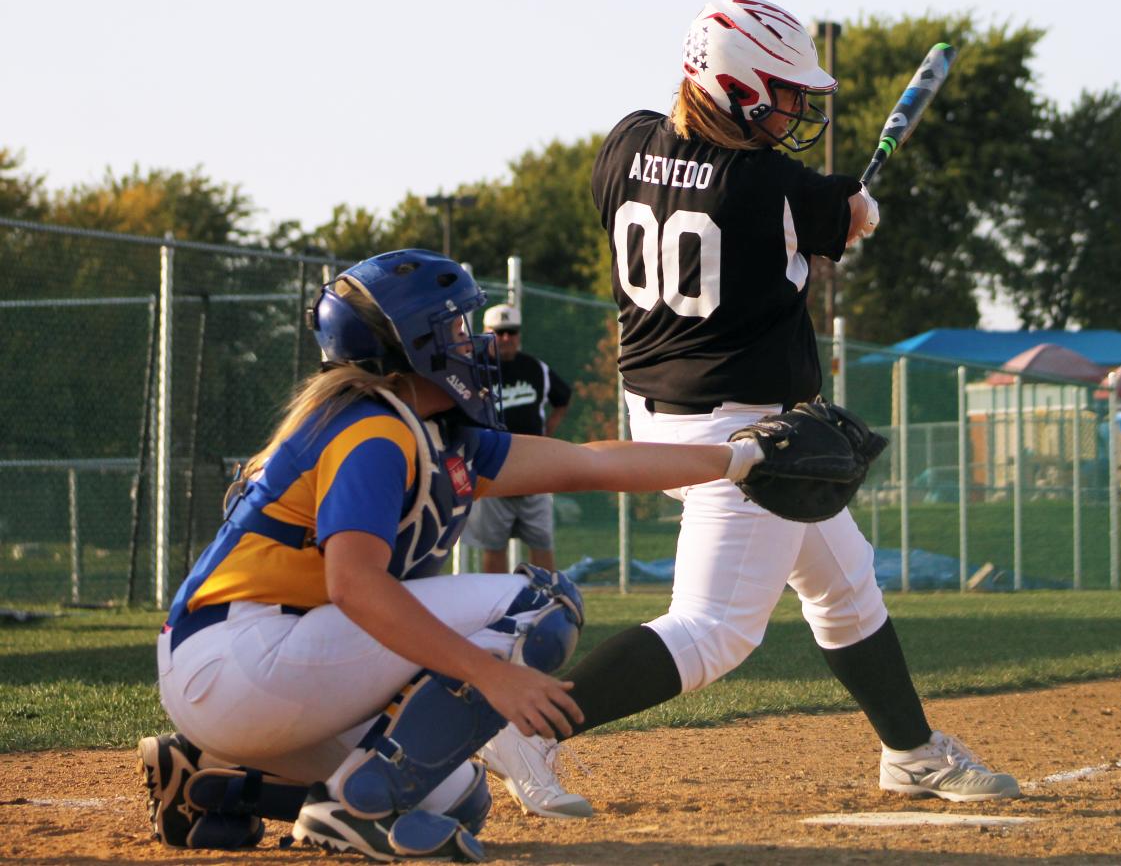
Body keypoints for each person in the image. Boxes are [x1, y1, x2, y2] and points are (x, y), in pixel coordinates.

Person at [481, 0, 1018, 814]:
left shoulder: (624, 144)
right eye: (783, 91)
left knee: (845, 583)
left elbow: (765, 204)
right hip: (743, 433)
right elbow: (838, 215)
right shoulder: (774, 186)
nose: (796, 107)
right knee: (715, 629)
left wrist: (829, 214)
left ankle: (911, 752)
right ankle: (530, 728)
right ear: (734, 86)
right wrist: (850, 214)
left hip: (659, 416)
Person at [137, 249, 770, 860]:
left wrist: (739, 458)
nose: (474, 343)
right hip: (246, 655)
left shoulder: (426, 430)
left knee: (457, 797)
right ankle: (358, 812)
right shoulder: (374, 432)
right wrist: (489, 672)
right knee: (540, 604)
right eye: (455, 328)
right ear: (411, 345)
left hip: (246, 671)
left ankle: (209, 777)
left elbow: (591, 461)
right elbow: (353, 585)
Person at [463, 303, 571, 572]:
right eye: (499, 332)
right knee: (494, 545)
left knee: (542, 542)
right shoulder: (472, 371)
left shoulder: (535, 368)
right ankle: (496, 606)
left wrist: (546, 436)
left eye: (512, 332)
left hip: (535, 470)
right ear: (485, 333)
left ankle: (547, 601)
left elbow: (563, 399)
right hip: (492, 470)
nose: (506, 338)